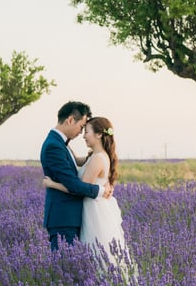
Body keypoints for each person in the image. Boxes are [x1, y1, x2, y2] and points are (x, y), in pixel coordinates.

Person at [43, 116, 130, 271]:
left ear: (98, 135)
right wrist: (64, 139)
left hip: (94, 211)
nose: (83, 135)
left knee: (97, 254)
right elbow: (75, 159)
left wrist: (52, 184)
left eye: (86, 131)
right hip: (92, 208)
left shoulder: (97, 158)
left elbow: (79, 188)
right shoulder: (93, 156)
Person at [41, 101, 113, 251]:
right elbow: (73, 185)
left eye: (85, 130)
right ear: (70, 120)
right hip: (64, 218)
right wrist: (100, 190)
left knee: (72, 268)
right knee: (65, 268)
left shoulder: (61, 144)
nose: (81, 133)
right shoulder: (54, 146)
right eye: (81, 127)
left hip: (71, 218)